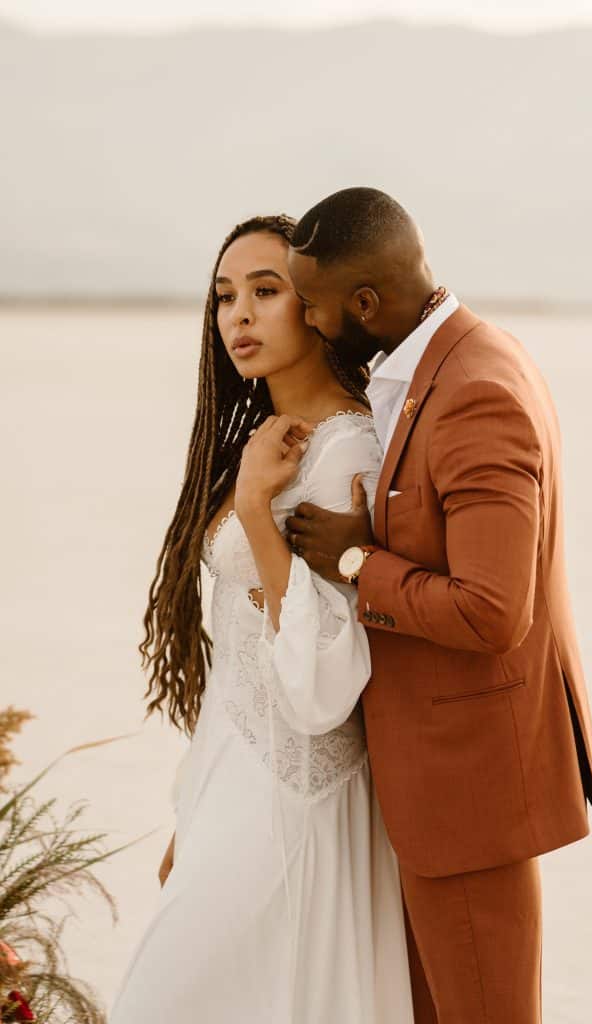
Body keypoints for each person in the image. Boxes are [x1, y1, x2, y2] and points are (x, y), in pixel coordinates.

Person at [284, 187, 592, 1024]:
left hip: (467, 784)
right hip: (439, 777)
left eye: (313, 306)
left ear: (364, 303)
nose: (309, 325)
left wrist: (356, 560)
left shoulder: (473, 389)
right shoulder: (443, 360)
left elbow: (492, 610)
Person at [107, 214, 415, 1024]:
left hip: (297, 797)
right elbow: (242, 653)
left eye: (265, 291)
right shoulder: (267, 441)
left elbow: (324, 686)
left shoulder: (348, 452)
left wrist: (251, 508)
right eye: (223, 296)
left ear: (314, 307)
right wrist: (192, 809)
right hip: (236, 782)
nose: (237, 314)